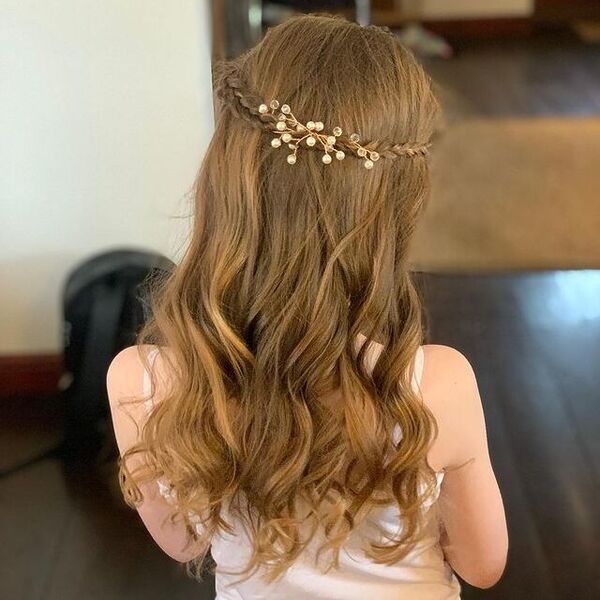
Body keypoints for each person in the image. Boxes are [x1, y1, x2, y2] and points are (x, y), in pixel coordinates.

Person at [106, 14, 507, 599]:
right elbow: (482, 564)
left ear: (225, 175)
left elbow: (184, 542)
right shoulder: (435, 384)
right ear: (398, 207)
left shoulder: (141, 381)